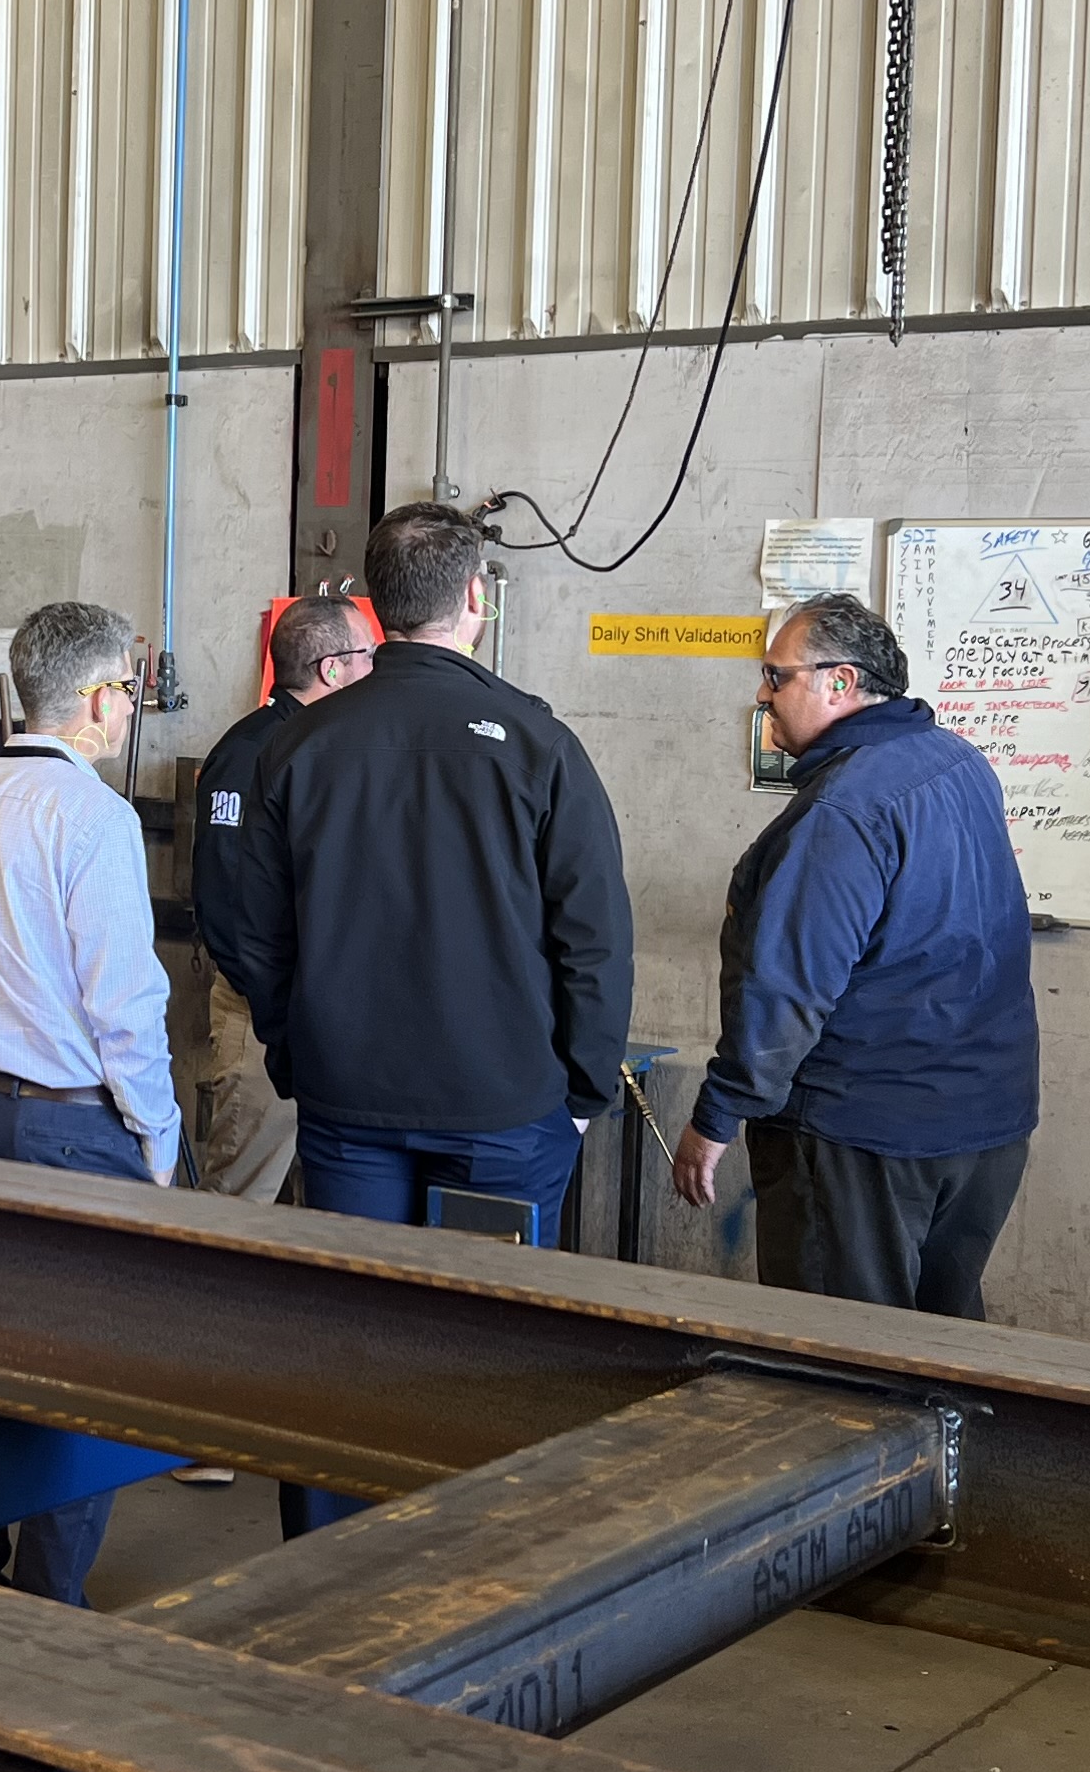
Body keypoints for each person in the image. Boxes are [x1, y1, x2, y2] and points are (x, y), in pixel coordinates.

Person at [205, 501, 630, 1247]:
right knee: (482, 1310)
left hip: (346, 1098)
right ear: (474, 595)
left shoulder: (295, 747)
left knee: (361, 1306)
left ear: (378, 600)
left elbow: (258, 929)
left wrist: (298, 1054)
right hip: (502, 1107)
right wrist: (584, 1092)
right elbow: (594, 936)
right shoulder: (538, 742)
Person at [0, 601, 179, 1606]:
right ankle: (49, 1605)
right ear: (99, 699)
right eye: (129, 692)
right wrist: (158, 1141)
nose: (130, 709)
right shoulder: (93, 816)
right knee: (85, 1380)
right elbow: (124, 1004)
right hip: (78, 1125)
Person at [670, 593, 1038, 1317]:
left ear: (839, 682)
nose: (762, 695)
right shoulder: (959, 761)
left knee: (840, 1353)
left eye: (776, 677)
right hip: (984, 1125)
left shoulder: (844, 808)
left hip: (862, 1133)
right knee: (942, 1347)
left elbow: (788, 986)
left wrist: (716, 1117)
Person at [187, 592, 377, 1199]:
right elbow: (224, 896)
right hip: (264, 1018)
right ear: (332, 670)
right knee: (241, 1198)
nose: (377, 668)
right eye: (369, 654)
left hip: (316, 1017)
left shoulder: (322, 744)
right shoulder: (253, 752)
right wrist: (278, 1004)